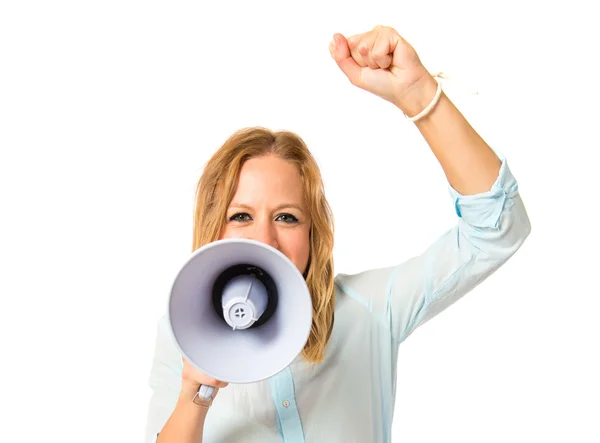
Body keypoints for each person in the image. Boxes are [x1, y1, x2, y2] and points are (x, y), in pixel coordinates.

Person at [145, 25, 531, 443]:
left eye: (287, 218)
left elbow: (497, 226)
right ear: (213, 227)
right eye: (240, 215)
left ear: (315, 232)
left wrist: (419, 95)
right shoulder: (183, 334)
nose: (264, 240)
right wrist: (194, 397)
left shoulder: (370, 310)